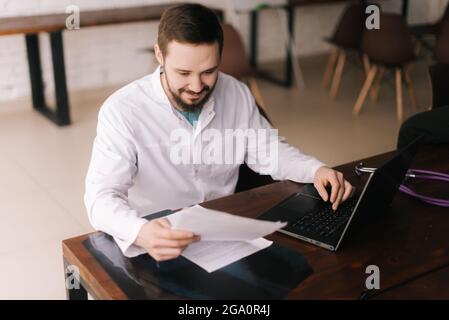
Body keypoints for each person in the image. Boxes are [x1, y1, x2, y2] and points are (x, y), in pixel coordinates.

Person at [84, 3, 353, 262]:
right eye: (183, 72)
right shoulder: (122, 110)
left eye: (209, 71)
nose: (196, 86)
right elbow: (101, 197)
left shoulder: (236, 92)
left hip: (225, 230)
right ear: (159, 55)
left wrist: (316, 170)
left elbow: (270, 151)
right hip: (158, 236)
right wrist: (139, 231)